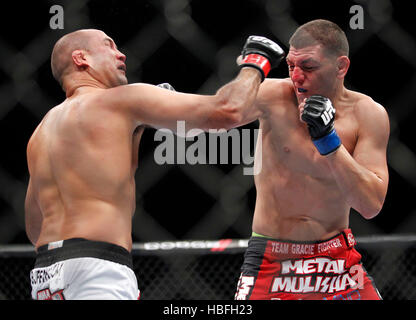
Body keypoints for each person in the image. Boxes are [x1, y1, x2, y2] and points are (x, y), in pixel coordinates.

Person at [25, 29, 284, 300]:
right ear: (81, 59)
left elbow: (35, 226)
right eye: (108, 45)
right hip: (99, 267)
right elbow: (228, 111)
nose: (120, 53)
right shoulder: (124, 99)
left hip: (46, 274)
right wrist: (256, 62)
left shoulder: (41, 132)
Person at [234, 19, 389, 300]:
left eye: (308, 67)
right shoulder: (271, 96)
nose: (296, 76)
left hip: (336, 259)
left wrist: (329, 141)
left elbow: (371, 205)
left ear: (341, 67)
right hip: (273, 258)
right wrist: (162, 106)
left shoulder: (368, 114)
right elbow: (214, 115)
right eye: (291, 66)